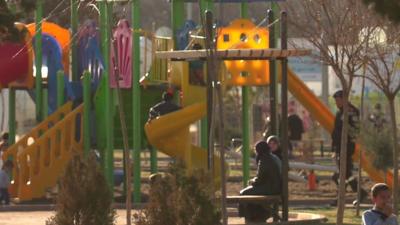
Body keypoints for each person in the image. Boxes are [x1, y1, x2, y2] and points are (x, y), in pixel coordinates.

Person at [331, 90, 367, 205]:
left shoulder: (351, 111)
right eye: (335, 100)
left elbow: (356, 129)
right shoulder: (339, 112)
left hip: (346, 146)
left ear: (344, 99)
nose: (336, 102)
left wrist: (347, 139)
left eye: (338, 100)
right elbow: (336, 131)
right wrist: (334, 147)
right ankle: (358, 193)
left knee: (343, 172)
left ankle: (342, 197)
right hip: (339, 146)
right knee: (344, 173)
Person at [239, 141, 282, 222]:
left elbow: (259, 179)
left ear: (259, 150)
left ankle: (249, 218)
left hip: (271, 189)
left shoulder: (264, 159)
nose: (255, 152)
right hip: (276, 187)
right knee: (251, 192)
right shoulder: (274, 157)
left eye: (256, 150)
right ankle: (258, 215)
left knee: (243, 193)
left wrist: (251, 181)